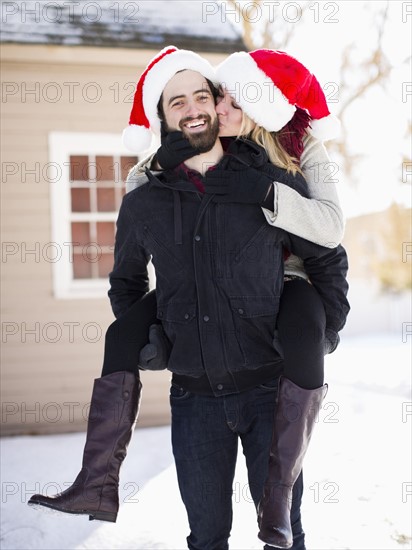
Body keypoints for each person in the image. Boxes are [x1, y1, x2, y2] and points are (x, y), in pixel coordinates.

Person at [116, 46, 349, 550]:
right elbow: (135, 228)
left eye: (228, 103)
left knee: (285, 530)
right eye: (217, 98)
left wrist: (329, 325)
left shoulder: (297, 153)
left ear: (261, 110)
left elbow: (329, 240)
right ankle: (96, 477)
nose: (216, 111)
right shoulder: (176, 164)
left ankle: (284, 480)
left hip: (285, 298)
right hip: (196, 385)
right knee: (206, 534)